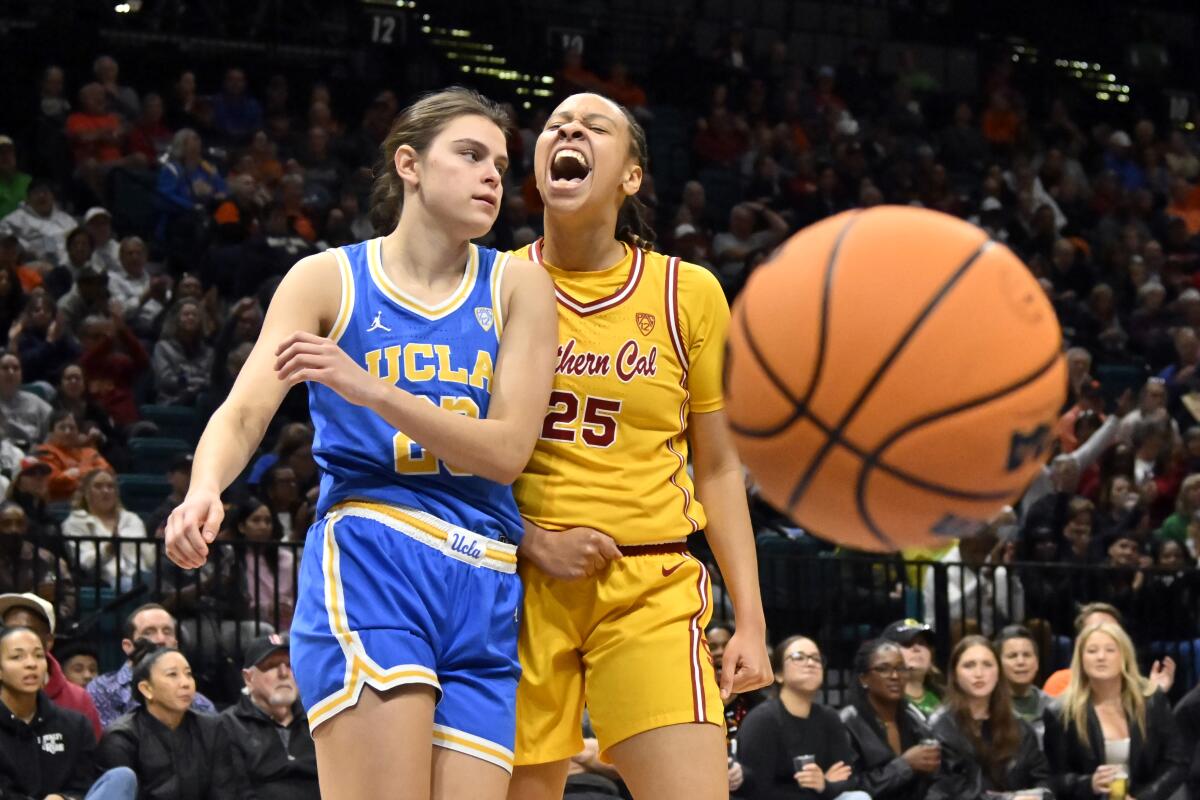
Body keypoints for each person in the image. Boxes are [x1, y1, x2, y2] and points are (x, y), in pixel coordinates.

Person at [165, 87, 557, 800]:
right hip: (376, 560)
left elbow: (505, 453)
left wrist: (370, 387)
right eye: (469, 155)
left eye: (500, 162)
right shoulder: (329, 279)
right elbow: (247, 408)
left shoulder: (519, 287)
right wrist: (204, 489)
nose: (493, 175)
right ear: (408, 163)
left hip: (488, 579)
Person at [506, 91, 772, 800]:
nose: (568, 128)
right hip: (514, 585)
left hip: (648, 581)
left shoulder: (689, 292)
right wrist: (533, 538)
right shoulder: (492, 286)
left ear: (630, 176)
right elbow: (456, 459)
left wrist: (750, 617)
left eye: (595, 126)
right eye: (556, 123)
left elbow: (715, 466)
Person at [1048, 622, 1187, 800]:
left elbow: (1176, 762)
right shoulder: (1060, 713)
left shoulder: (1152, 701)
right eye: (1092, 651)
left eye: (1110, 650)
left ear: (1124, 656)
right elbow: (1054, 779)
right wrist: (1089, 783)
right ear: (1081, 659)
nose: (1101, 657)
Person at [0, 626, 139, 800]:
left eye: (38, 655)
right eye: (17, 657)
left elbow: (85, 785)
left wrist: (64, 798)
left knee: (122, 777)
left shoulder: (76, 724)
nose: (31, 664)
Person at [96, 641, 247, 799]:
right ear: (147, 689)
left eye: (188, 674)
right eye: (172, 675)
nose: (185, 683)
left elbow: (225, 793)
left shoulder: (212, 728)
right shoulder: (121, 738)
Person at [735, 636, 863, 799]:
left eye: (816, 658)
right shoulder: (762, 720)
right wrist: (816, 789)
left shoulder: (829, 717)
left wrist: (824, 785)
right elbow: (758, 790)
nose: (810, 663)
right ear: (779, 674)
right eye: (798, 657)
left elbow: (849, 778)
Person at [926, 636, 1052, 800]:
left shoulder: (1021, 728)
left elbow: (1042, 779)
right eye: (969, 666)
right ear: (955, 674)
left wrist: (1040, 795)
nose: (979, 674)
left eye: (987, 665)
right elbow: (944, 791)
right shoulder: (940, 728)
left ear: (998, 672)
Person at [221, 634, 320, 800]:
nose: (283, 673)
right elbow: (235, 792)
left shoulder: (316, 718)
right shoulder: (228, 725)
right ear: (248, 678)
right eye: (272, 665)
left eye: (290, 665)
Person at [87, 603, 216, 729]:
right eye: (149, 632)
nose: (161, 639)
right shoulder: (102, 689)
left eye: (167, 632)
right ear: (128, 646)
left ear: (175, 645)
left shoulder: (199, 704)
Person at [839, 639, 938, 800]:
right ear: (864, 679)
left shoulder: (914, 719)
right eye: (883, 669)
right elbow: (850, 789)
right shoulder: (846, 723)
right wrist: (905, 765)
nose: (895, 676)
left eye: (901, 668)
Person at [0, 592, 103, 739]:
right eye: (8, 630)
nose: (18, 637)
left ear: (48, 641)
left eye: (27, 630)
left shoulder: (78, 700)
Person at [62, 468, 154, 591]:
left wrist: (159, 544)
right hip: (105, 582)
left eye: (110, 487)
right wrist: (108, 550)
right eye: (98, 486)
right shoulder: (76, 522)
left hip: (142, 578)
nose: (105, 491)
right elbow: (84, 563)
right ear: (86, 493)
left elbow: (149, 560)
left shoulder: (132, 519)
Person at [35, 409, 113, 502]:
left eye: (72, 428)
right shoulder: (44, 452)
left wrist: (77, 472)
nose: (67, 432)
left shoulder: (90, 452)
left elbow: (108, 473)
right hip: (62, 505)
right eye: (62, 428)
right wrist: (91, 471)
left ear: (78, 433)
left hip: (95, 502)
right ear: (51, 433)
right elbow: (54, 481)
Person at [996, 625, 1056, 745]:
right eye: (1012, 656)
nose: (1021, 662)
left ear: (1037, 662)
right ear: (997, 664)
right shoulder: (989, 709)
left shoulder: (1054, 708)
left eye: (1027, 655)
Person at [881, 619, 943, 718]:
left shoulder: (947, 699)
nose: (917, 648)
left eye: (922, 643)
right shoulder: (881, 703)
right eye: (907, 643)